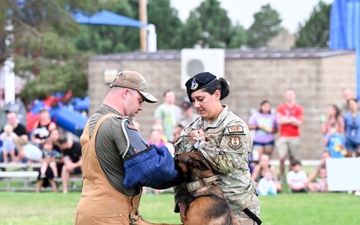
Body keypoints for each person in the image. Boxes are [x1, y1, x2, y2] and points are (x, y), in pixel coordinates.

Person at [74, 70, 179, 224]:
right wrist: (176, 158)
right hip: (110, 216)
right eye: (140, 100)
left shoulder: (93, 121)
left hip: (86, 213)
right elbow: (152, 169)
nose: (141, 107)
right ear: (125, 94)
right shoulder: (118, 124)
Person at [174, 72, 261, 225]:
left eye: (201, 99)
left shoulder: (234, 126)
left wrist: (200, 144)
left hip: (236, 208)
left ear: (217, 94)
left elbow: (228, 163)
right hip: (201, 210)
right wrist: (181, 200)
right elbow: (181, 168)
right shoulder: (190, 129)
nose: (196, 105)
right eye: (193, 100)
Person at [276, 89, 304, 180]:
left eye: (291, 94)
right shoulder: (281, 107)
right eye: (288, 94)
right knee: (282, 157)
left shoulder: (298, 108)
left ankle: (290, 177)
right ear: (285, 96)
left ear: (294, 96)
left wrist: (286, 120)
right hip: (283, 136)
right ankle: (282, 176)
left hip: (294, 136)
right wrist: (291, 120)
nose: (289, 96)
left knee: (293, 158)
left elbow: (299, 123)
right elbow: (279, 121)